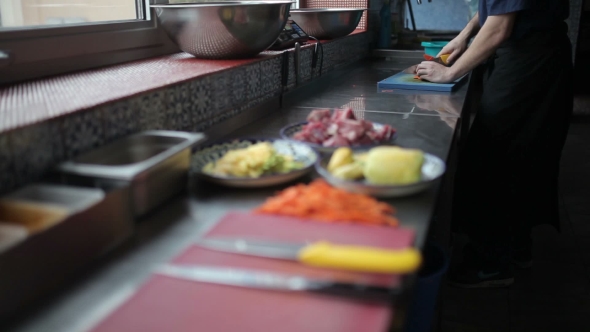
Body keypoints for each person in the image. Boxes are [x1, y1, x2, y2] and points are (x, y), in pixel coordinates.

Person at [415, 0, 574, 288]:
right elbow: (498, 9)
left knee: (492, 156)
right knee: (524, 151)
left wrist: (450, 72)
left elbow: (500, 26)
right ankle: (515, 247)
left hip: (529, 59)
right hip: (533, 54)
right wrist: (464, 36)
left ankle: (490, 262)